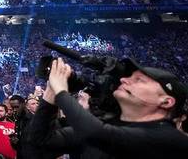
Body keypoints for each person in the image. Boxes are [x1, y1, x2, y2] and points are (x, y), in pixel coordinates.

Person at [27, 58, 188, 157]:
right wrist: (50, 93)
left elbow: (98, 134)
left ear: (166, 102)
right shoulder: (110, 125)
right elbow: (41, 140)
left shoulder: (171, 139)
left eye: (139, 80)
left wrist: (61, 90)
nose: (124, 80)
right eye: (129, 77)